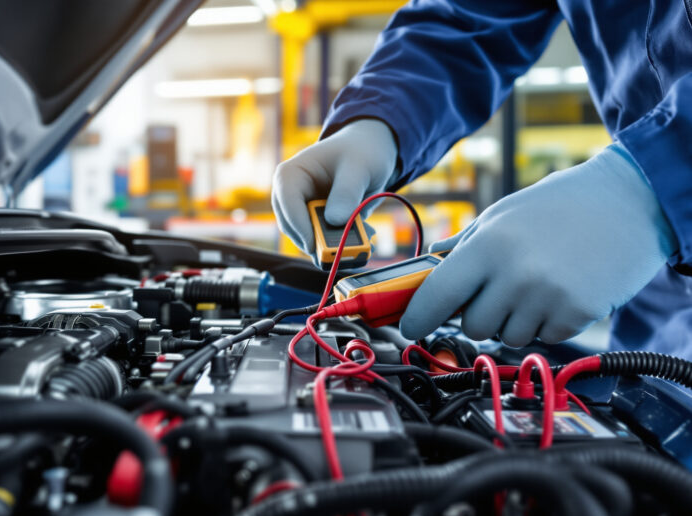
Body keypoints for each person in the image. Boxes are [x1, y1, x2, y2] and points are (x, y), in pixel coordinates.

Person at [272, 0, 692, 358]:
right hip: (658, 323)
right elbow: (465, 18)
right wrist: (378, 120)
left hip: (649, 247)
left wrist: (652, 188)